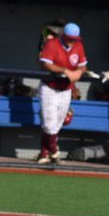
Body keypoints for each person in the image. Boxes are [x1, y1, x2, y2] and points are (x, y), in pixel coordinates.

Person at [36, 22, 86, 164]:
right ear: (63, 35)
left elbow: (83, 66)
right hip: (49, 87)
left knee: (58, 123)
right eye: (69, 38)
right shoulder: (52, 44)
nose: (72, 41)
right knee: (48, 123)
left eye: (74, 39)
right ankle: (54, 151)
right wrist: (65, 70)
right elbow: (45, 63)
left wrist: (78, 72)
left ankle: (44, 153)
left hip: (66, 89)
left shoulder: (78, 46)